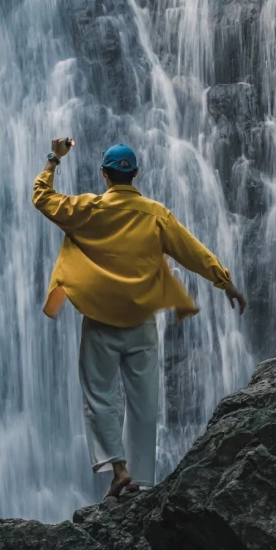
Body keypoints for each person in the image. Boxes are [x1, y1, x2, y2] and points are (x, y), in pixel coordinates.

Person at [32, 138, 246, 500]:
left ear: (104, 175)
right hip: (142, 323)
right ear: (136, 175)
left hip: (100, 321)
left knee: (99, 394)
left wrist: (54, 159)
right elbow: (191, 250)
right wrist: (224, 281)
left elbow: (41, 197)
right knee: (144, 400)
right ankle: (142, 482)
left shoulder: (86, 209)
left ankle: (119, 470)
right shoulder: (156, 214)